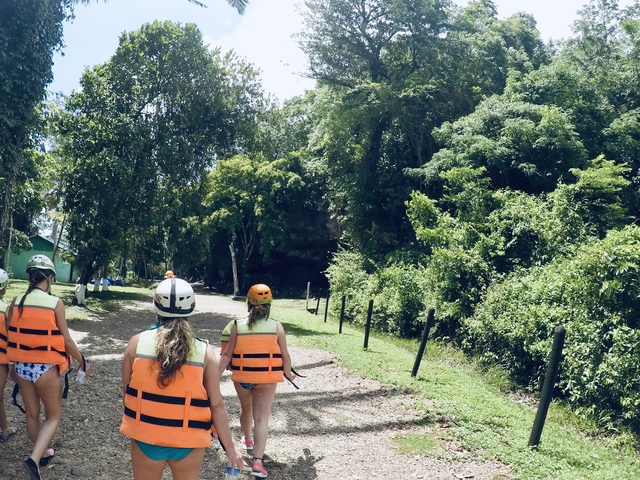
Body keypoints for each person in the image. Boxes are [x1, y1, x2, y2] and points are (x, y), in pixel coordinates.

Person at [120, 277, 243, 480]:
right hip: (188, 441)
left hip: (146, 438)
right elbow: (217, 406)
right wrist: (231, 449)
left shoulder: (136, 344)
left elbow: (128, 393)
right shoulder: (204, 352)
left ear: (156, 306)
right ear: (190, 309)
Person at [6, 255, 89, 480]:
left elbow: (11, 333)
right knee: (53, 417)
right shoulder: (55, 303)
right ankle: (34, 460)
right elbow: (67, 340)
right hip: (45, 368)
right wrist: (82, 360)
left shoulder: (15, 300)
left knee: (32, 415)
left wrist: (12, 365)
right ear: (50, 277)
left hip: (22, 367)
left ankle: (41, 453)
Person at [219, 283, 295, 478]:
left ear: (248, 303)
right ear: (269, 305)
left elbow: (227, 355)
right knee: (261, 418)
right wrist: (289, 373)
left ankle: (247, 440)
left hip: (243, 378)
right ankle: (258, 463)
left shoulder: (237, 325)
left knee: (246, 408)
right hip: (266, 379)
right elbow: (285, 356)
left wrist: (213, 378)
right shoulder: (276, 326)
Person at [0, 268, 17, 443]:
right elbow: (10, 337)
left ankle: (5, 429)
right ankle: (4, 430)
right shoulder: (6, 310)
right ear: (4, 288)